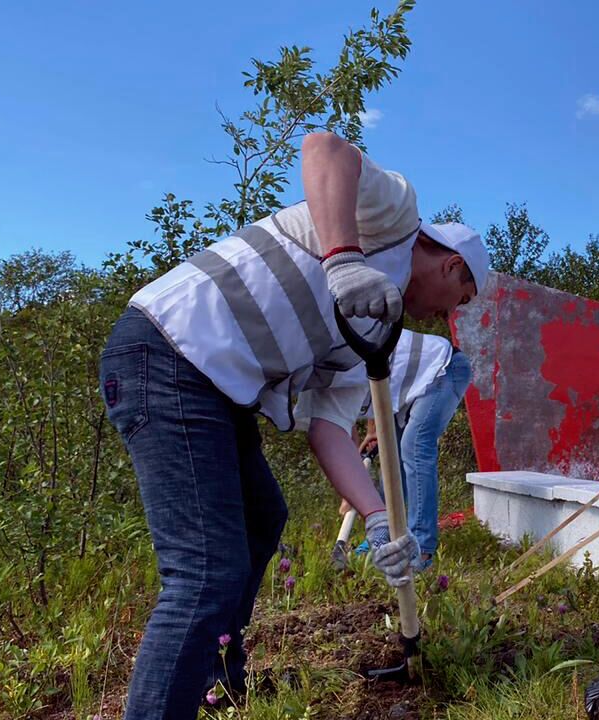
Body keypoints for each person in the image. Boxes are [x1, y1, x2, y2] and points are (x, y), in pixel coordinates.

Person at [98, 131, 489, 719]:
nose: (447, 316)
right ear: (453, 263)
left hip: (215, 389)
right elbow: (324, 148)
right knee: (205, 571)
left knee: (263, 518)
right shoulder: (395, 215)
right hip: (169, 352)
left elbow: (327, 431)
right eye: (459, 297)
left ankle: (217, 679)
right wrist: (344, 261)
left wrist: (379, 519)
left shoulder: (373, 338)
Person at [295, 304, 473, 570]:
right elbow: (341, 429)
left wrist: (351, 496)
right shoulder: (314, 384)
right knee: (394, 460)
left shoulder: (326, 353)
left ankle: (421, 549)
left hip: (443, 367)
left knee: (414, 446)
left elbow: (368, 377)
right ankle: (387, 537)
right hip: (404, 387)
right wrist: (373, 432)